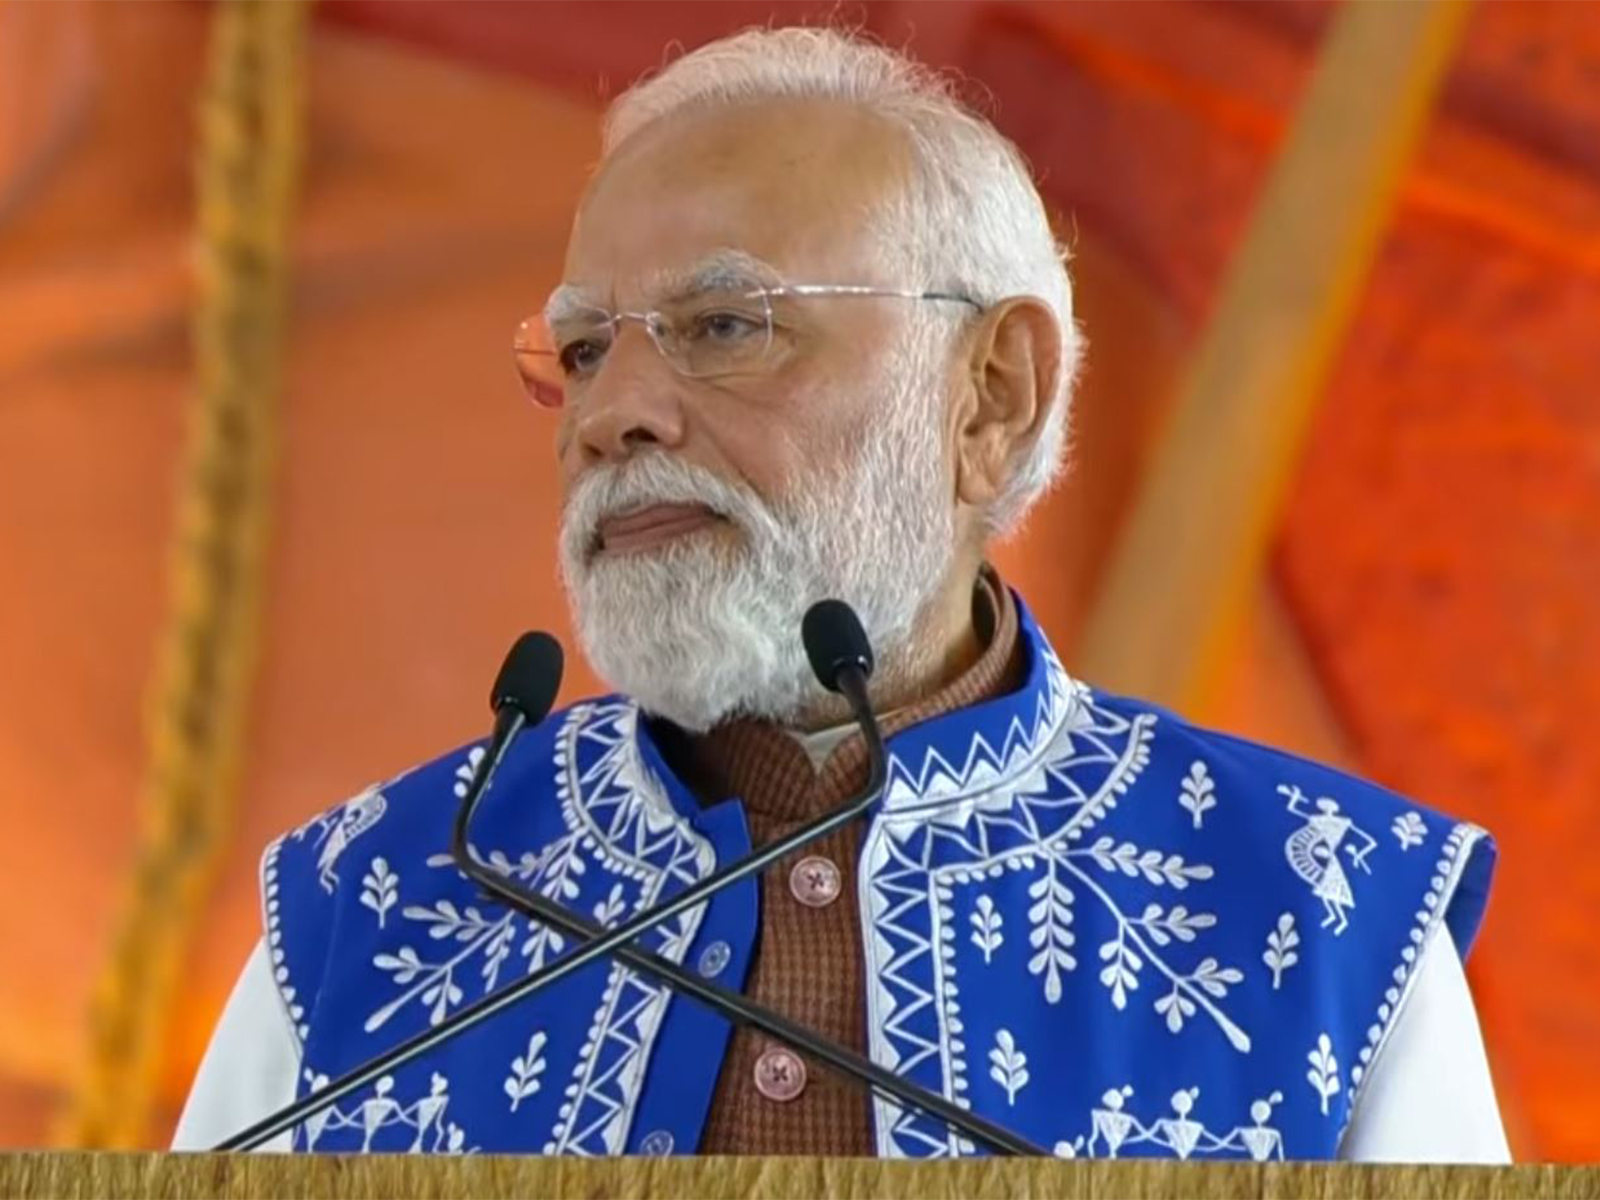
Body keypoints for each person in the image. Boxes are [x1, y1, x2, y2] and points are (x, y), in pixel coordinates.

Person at [174, 26, 1507, 1161]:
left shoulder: (1319, 918)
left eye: (725, 326)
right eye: (583, 350)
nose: (612, 415)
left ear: (989, 392)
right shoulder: (381, 902)